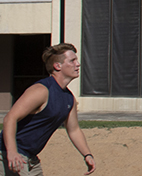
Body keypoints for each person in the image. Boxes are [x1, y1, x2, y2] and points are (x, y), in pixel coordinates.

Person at [1, 43, 97, 175]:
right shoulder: (41, 90)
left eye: (76, 60)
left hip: (31, 158)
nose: (78, 64)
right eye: (72, 60)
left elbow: (74, 130)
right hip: (9, 153)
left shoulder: (69, 99)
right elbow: (10, 118)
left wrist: (87, 154)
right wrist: (12, 152)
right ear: (57, 66)